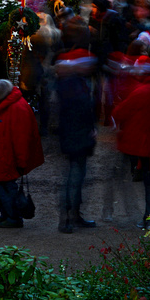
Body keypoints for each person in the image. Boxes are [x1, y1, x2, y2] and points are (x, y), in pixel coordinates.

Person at [112, 55, 150, 226]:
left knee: (139, 179)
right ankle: (149, 217)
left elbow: (120, 112)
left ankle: (145, 216)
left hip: (140, 143)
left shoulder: (141, 91)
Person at [53, 21, 99, 233]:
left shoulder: (64, 71)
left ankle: (70, 216)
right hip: (77, 130)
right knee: (75, 175)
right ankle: (69, 217)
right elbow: (83, 105)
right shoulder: (76, 79)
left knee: (73, 174)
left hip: (69, 129)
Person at [0, 79, 43, 227]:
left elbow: (21, 138)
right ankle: (7, 214)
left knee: (7, 187)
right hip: (2, 154)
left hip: (6, 156)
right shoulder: (8, 104)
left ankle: (13, 217)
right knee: (1, 186)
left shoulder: (16, 108)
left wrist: (21, 161)